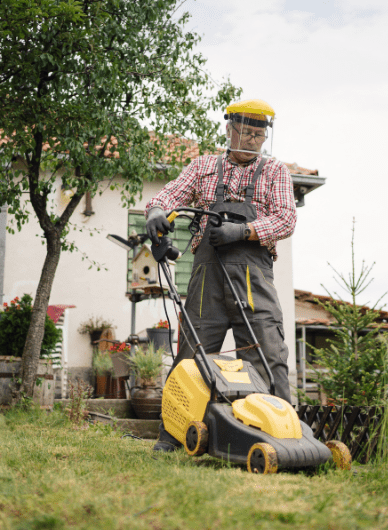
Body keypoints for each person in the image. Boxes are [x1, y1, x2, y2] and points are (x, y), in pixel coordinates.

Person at [144, 99, 297, 452]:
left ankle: (282, 437)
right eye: (244, 133)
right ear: (229, 130)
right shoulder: (203, 166)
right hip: (207, 278)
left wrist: (243, 231)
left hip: (254, 277)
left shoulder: (275, 171)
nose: (251, 140)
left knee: (268, 353)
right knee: (191, 354)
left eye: (258, 135)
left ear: (265, 137)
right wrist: (156, 211)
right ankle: (173, 435)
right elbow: (170, 194)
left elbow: (286, 219)